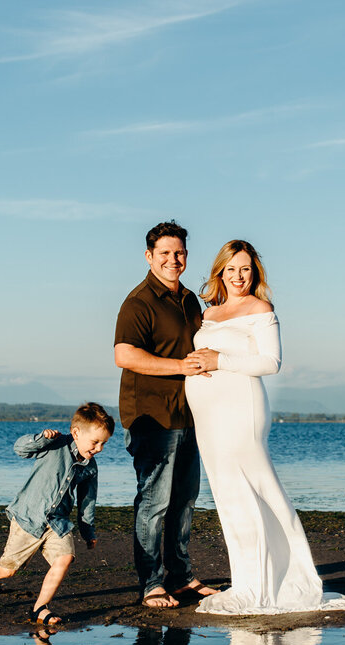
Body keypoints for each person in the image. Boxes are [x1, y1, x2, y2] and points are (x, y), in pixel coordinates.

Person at [183, 239, 345, 614]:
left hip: (241, 408)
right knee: (229, 498)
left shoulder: (260, 308)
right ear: (220, 271)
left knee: (258, 491)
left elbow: (271, 362)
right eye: (231, 269)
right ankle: (247, 581)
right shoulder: (209, 312)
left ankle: (284, 580)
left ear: (254, 271)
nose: (238, 276)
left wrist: (219, 360)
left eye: (245, 268)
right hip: (208, 415)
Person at [114, 221, 218, 608]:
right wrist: (180, 367)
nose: (173, 260)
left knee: (185, 501)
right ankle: (152, 584)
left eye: (179, 253)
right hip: (152, 418)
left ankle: (182, 578)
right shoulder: (138, 302)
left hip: (190, 415)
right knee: (153, 502)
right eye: (165, 254)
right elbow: (124, 355)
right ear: (149, 256)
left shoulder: (190, 299)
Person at [0, 402, 115, 625]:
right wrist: (41, 438)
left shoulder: (90, 467)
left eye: (104, 443)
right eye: (95, 442)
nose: (99, 448)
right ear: (76, 432)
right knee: (8, 569)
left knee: (65, 558)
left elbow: (87, 501)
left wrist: (88, 531)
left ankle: (40, 608)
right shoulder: (54, 444)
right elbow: (20, 449)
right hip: (29, 519)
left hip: (57, 523)